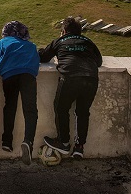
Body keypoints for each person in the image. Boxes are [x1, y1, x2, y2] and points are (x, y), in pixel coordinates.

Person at [39, 16, 102, 159]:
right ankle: (79, 147)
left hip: (70, 77)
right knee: (82, 112)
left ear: (64, 31)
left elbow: (43, 57)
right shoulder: (88, 41)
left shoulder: (59, 41)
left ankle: (63, 143)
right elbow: (98, 61)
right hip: (91, 78)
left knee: (61, 108)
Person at [0, 20, 39, 164]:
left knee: (10, 106)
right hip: (28, 75)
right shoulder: (31, 46)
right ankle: (28, 142)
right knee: (30, 109)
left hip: (10, 75)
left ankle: (7, 141)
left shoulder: (3, 42)